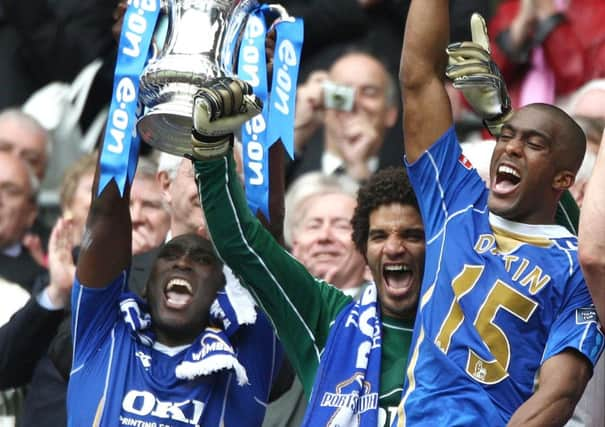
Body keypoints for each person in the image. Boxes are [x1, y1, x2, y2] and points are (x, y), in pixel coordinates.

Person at [394, 2, 604, 425]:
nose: (509, 147)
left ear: (564, 180)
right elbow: (418, 78)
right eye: (505, 135)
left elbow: (560, 393)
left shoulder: (575, 269)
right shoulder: (455, 202)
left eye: (533, 143)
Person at [188, 77, 425, 426]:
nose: (393, 247)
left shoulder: (458, 328)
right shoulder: (327, 317)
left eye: (411, 235)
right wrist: (211, 155)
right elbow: (244, 247)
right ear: (363, 251)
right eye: (378, 237)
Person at [289, 50, 400, 184]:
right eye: (341, 93)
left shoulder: (408, 182)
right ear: (323, 102)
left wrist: (358, 171)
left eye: (369, 92)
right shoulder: (292, 169)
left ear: (391, 114)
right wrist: (296, 136)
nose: (354, 102)